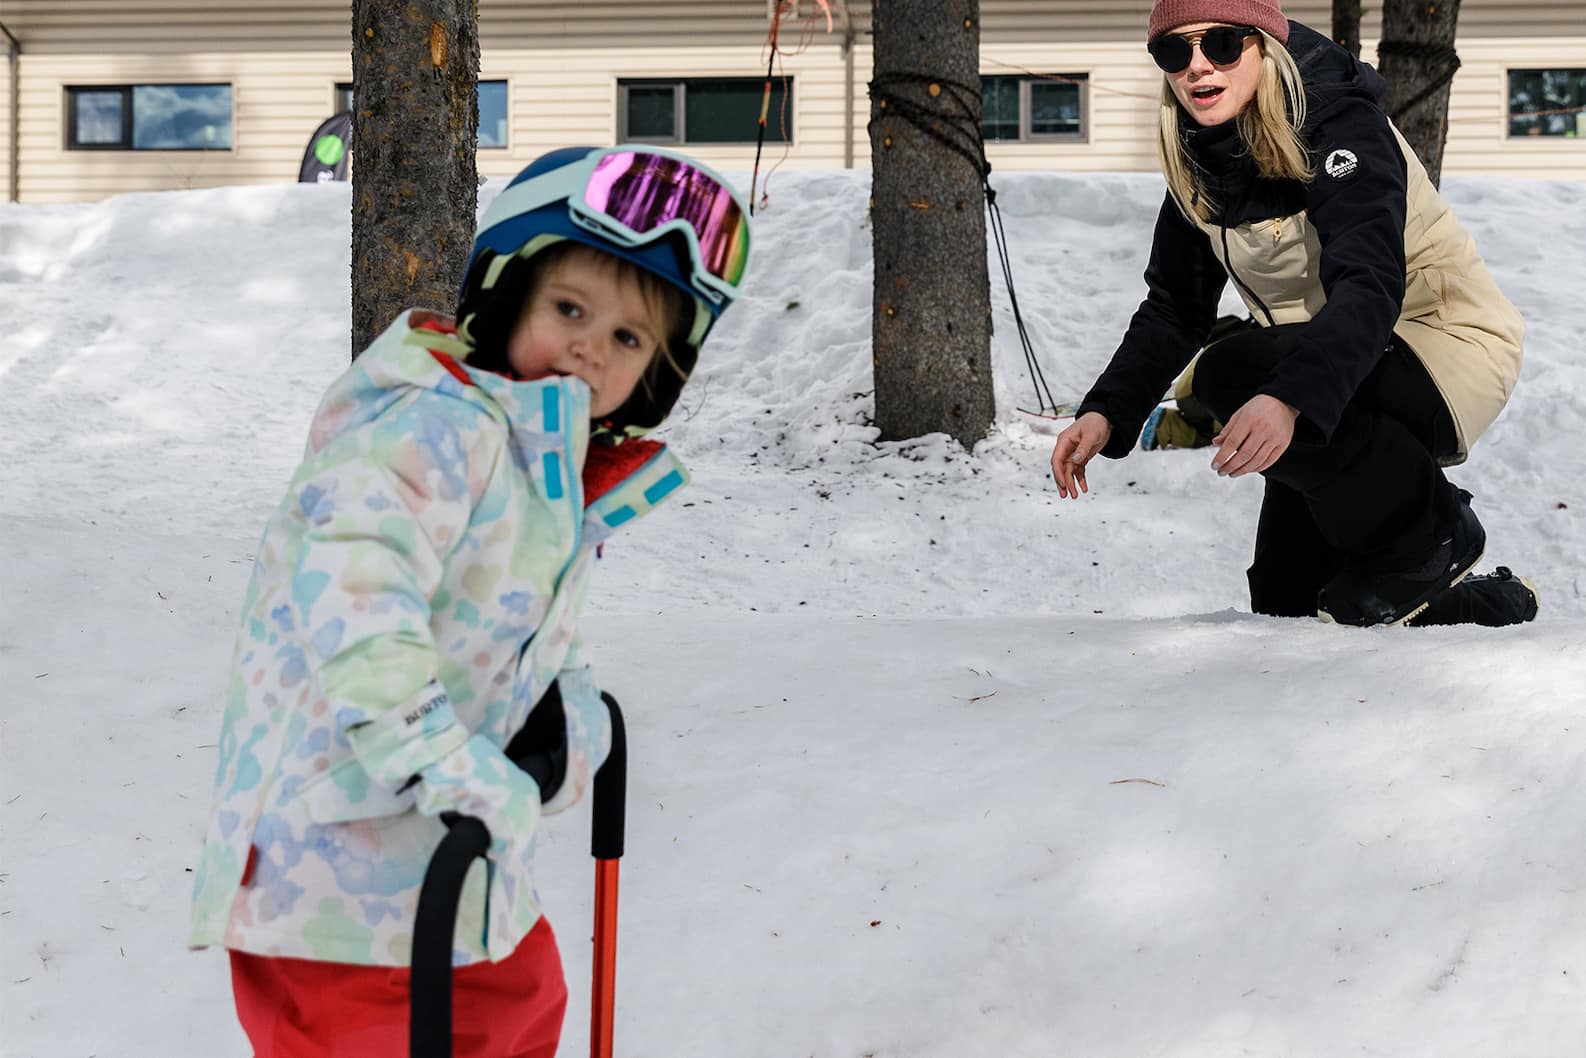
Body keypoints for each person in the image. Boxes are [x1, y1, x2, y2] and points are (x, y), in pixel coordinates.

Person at [188, 145, 751, 1056]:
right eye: (570, 308)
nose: (589, 347)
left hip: (452, 859)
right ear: (506, 294)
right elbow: (354, 601)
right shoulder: (425, 429)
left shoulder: (549, 470)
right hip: (336, 879)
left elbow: (539, 634)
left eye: (627, 338)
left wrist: (569, 717)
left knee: (526, 1003)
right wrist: (442, 756)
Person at [1049, 0, 1537, 627]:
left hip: (1440, 348)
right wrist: (1107, 411)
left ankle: (1432, 533)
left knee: (1228, 370)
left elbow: (1368, 282)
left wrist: (1288, 399)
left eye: (1222, 44)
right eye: (1175, 51)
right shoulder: (1200, 163)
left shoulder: (1339, 123)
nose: (1198, 66)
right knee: (1289, 601)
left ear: (1264, 46)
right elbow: (1175, 307)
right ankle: (1488, 603)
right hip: (1327, 374)